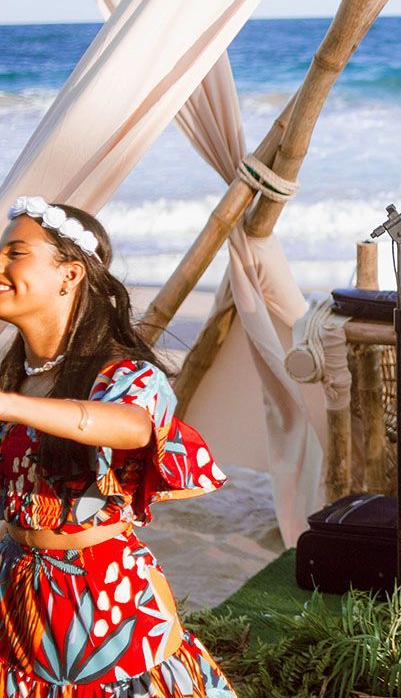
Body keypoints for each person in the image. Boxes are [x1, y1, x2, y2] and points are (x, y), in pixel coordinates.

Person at [0, 195, 234, 697]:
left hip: (101, 597)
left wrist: (9, 406)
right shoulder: (12, 377)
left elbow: (130, 427)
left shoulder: (127, 375)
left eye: (15, 254)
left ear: (70, 274)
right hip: (16, 590)